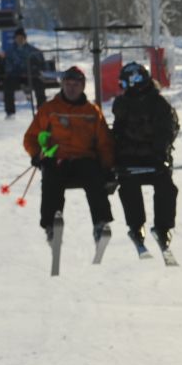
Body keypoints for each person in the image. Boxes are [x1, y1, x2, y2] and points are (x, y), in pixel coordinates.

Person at [22, 66, 114, 245]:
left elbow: (104, 143)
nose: (71, 88)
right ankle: (52, 226)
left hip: (84, 158)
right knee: (51, 180)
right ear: (63, 85)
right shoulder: (50, 109)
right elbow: (31, 137)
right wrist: (36, 154)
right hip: (58, 158)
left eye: (76, 85)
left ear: (82, 86)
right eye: (68, 84)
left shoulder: (92, 111)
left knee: (95, 179)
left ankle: (100, 223)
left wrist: (108, 167)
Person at [110, 60, 179, 255]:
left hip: (154, 158)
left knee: (166, 186)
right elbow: (118, 133)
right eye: (125, 84)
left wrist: (160, 154)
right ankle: (136, 225)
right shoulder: (122, 104)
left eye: (134, 81)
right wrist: (116, 158)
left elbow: (167, 131)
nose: (131, 87)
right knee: (128, 186)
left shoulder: (158, 104)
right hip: (129, 158)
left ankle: (162, 227)